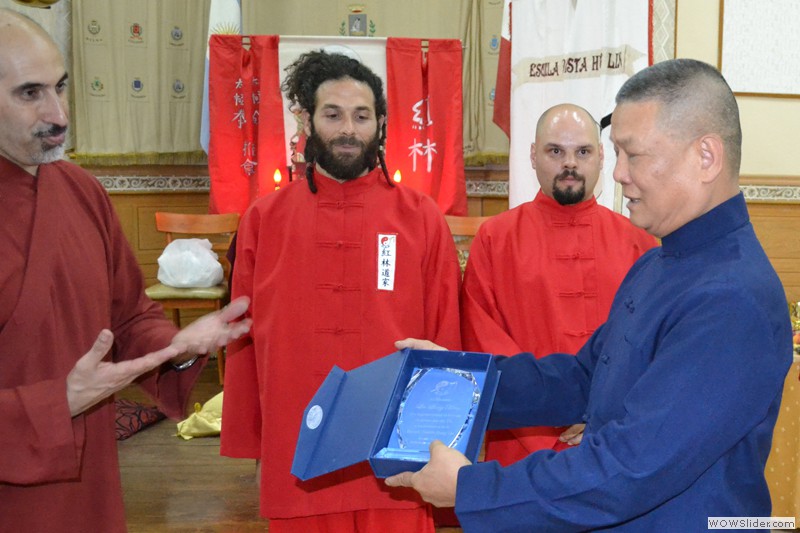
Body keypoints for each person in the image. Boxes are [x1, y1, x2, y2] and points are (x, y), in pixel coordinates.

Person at [386, 58, 792, 531]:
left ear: (706, 157)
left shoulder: (731, 299)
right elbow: (582, 379)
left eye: (633, 155)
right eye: (616, 154)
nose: (618, 174)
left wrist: (473, 488)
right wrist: (458, 382)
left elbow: (629, 468)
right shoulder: (658, 264)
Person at [0, 10, 252, 533]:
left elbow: (130, 316)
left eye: (61, 87)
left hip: (88, 482)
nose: (59, 114)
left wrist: (177, 345)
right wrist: (53, 404)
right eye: (30, 94)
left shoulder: (81, 192)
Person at [220, 50, 461, 533]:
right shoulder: (264, 220)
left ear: (381, 124)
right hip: (297, 440)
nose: (348, 129)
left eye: (361, 116)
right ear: (307, 120)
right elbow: (242, 341)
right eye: (332, 115)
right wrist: (255, 441)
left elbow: (445, 332)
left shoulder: (420, 218)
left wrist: (441, 437)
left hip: (394, 446)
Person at [461, 103, 656, 462]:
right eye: (555, 151)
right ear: (533, 155)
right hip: (522, 443)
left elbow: (651, 345)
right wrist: (549, 416)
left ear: (601, 158)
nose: (570, 164)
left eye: (583, 152)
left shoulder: (639, 243)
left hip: (614, 441)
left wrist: (602, 410)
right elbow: (483, 338)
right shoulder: (495, 239)